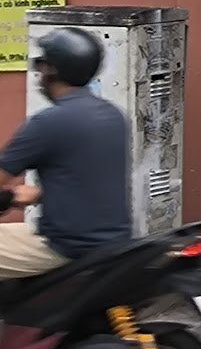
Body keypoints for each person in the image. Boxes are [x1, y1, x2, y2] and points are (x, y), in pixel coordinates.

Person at [0, 28, 131, 278]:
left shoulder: (48, 122)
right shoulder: (112, 115)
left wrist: (6, 196)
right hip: (111, 241)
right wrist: (41, 195)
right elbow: (88, 182)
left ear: (51, 70)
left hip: (66, 247)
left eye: (41, 65)